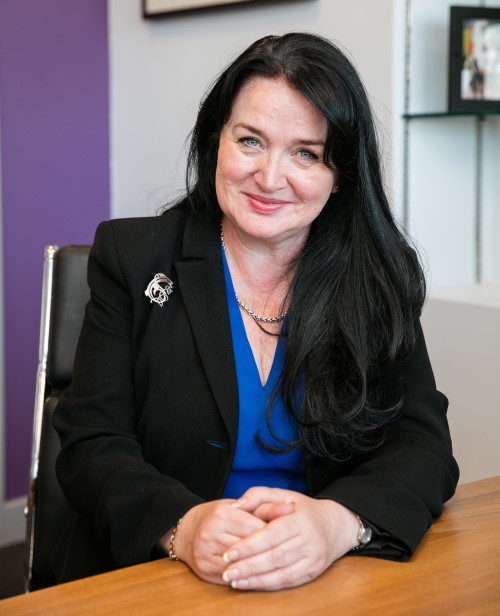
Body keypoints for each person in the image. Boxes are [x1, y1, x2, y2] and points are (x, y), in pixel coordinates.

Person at [52, 32, 459, 591]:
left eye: (306, 154)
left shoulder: (376, 275)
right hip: (158, 577)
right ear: (215, 139)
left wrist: (339, 523)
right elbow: (91, 444)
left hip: (323, 580)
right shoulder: (134, 258)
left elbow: (424, 446)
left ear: (340, 175)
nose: (270, 178)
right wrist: (183, 526)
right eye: (250, 141)